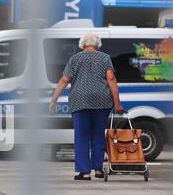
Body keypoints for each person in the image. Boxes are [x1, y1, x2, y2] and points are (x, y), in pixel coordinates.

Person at [49, 33, 127, 181]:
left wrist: (54, 100)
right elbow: (111, 79)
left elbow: (64, 80)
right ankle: (98, 169)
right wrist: (117, 104)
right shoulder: (104, 58)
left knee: (82, 136)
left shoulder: (75, 58)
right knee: (98, 135)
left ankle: (84, 172)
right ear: (97, 44)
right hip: (102, 101)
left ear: (82, 44)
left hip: (80, 101)